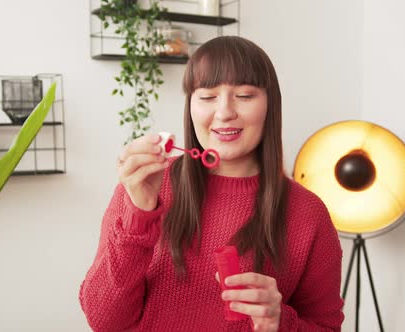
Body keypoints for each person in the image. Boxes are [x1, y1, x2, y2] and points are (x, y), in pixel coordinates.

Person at [79, 36, 344, 332]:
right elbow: (104, 322)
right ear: (190, 106)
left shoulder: (308, 214)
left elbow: (326, 327)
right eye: (207, 97)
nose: (224, 112)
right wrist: (138, 214)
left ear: (271, 105)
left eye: (244, 95)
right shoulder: (146, 188)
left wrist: (280, 322)